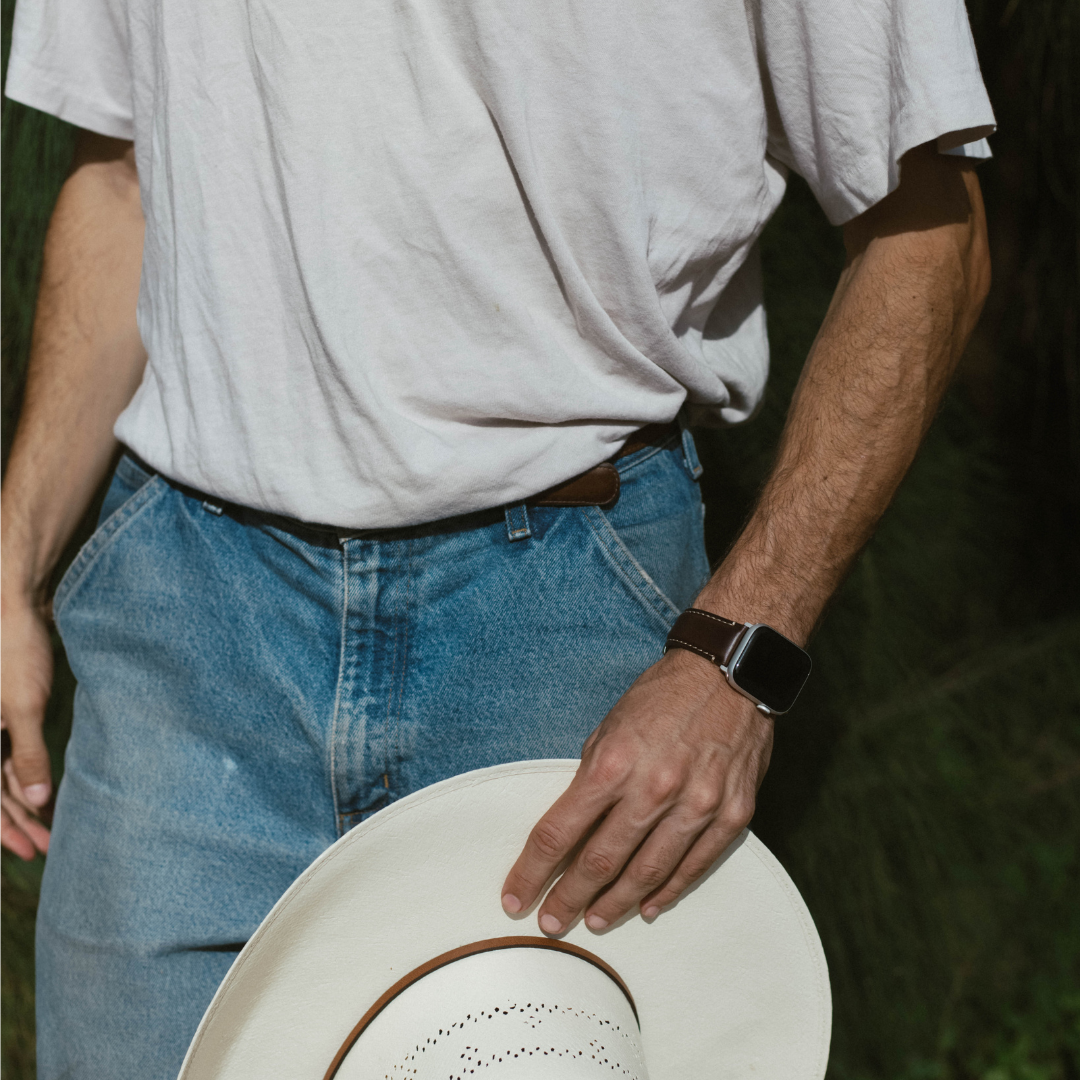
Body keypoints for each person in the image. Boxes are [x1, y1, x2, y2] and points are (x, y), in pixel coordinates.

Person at [0, 0, 993, 1074]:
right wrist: (12, 563)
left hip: (559, 629)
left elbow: (929, 232)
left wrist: (740, 660)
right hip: (186, 637)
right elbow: (122, 177)